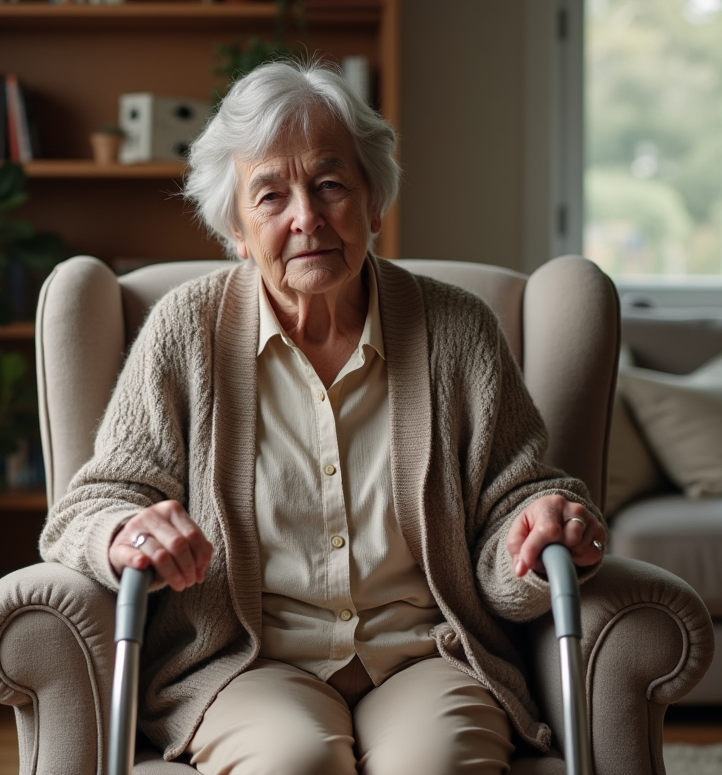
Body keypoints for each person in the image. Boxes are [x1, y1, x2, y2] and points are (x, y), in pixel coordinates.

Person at [39, 58, 607, 775]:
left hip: (425, 656)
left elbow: (515, 501)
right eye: (270, 196)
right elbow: (89, 505)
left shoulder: (458, 330)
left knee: (434, 766)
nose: (306, 217)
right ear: (237, 228)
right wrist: (126, 530)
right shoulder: (186, 331)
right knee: (293, 763)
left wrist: (539, 528)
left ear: (373, 202)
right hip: (245, 662)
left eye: (331, 185)